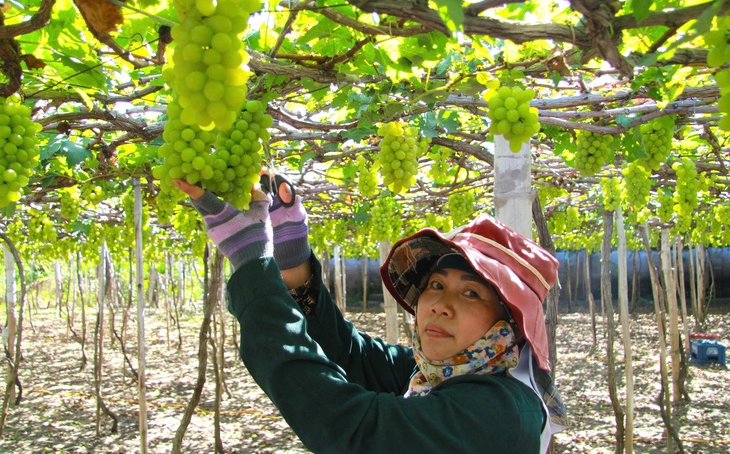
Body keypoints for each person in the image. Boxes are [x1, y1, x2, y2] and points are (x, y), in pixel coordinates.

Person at [173, 177, 567, 454]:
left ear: (509, 323)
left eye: (470, 292)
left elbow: (351, 427)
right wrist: (291, 264)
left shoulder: (498, 413)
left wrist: (252, 264)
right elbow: (351, 355)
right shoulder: (446, 371)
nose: (440, 304)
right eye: (435, 285)